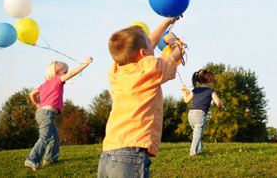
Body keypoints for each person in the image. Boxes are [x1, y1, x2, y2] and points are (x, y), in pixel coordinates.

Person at [97, 17, 184, 178]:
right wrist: (174, 42)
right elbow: (176, 55)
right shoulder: (150, 69)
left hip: (107, 154)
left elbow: (143, 46)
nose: (153, 44)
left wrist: (167, 22)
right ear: (143, 53)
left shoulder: (116, 70)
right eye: (150, 45)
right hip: (130, 156)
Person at [24, 57, 93, 171]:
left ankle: (51, 160)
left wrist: (37, 104)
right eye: (64, 72)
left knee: (54, 138)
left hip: (43, 113)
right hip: (46, 113)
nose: (65, 74)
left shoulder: (44, 84)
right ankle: (31, 160)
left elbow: (32, 94)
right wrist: (85, 65)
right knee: (45, 138)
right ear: (57, 73)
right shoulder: (57, 80)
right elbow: (72, 73)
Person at [181, 69, 223, 157]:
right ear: (209, 80)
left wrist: (184, 91)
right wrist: (220, 107)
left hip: (191, 114)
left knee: (197, 132)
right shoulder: (211, 91)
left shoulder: (195, 90)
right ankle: (193, 153)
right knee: (197, 134)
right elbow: (218, 102)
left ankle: (200, 149)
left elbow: (186, 100)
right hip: (200, 114)